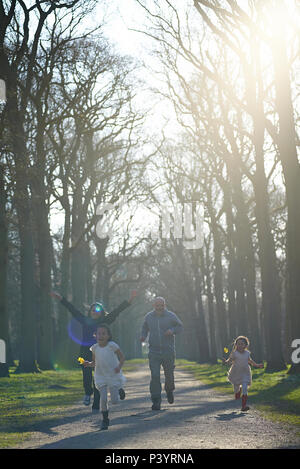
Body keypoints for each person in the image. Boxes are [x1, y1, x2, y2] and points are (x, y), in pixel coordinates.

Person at [50, 289, 137, 411]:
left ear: (101, 312)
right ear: (89, 312)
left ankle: (97, 403)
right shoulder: (84, 320)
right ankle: (87, 393)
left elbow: (117, 310)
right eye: (92, 310)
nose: (95, 312)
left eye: (97, 310)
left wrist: (130, 299)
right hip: (85, 352)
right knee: (86, 376)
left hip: (100, 353)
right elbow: (72, 309)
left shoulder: (105, 320)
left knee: (99, 378)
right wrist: (60, 298)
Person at [140, 296, 183, 410]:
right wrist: (143, 336)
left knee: (169, 375)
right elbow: (144, 327)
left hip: (168, 350)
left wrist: (172, 331)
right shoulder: (149, 317)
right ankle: (156, 401)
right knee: (155, 376)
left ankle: (169, 390)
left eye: (162, 305)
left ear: (165, 305)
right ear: (154, 306)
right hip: (153, 351)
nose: (159, 307)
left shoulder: (171, 316)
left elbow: (180, 326)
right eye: (157, 305)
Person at [83, 324, 125, 430]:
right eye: (98, 334)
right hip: (100, 376)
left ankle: (120, 389)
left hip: (113, 375)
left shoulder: (112, 346)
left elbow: (122, 357)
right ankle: (105, 419)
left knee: (115, 401)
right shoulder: (94, 348)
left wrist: (119, 367)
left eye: (103, 333)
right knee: (103, 398)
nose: (101, 336)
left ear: (108, 336)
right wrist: (88, 364)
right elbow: (94, 362)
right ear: (95, 336)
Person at [222, 335, 264, 411]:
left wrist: (257, 365)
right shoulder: (234, 353)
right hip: (236, 372)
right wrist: (225, 362)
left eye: (242, 344)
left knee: (245, 387)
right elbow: (230, 361)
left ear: (246, 345)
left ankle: (243, 406)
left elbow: (250, 361)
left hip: (245, 372)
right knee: (236, 389)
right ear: (236, 345)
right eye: (238, 344)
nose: (240, 345)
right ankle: (237, 393)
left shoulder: (247, 353)